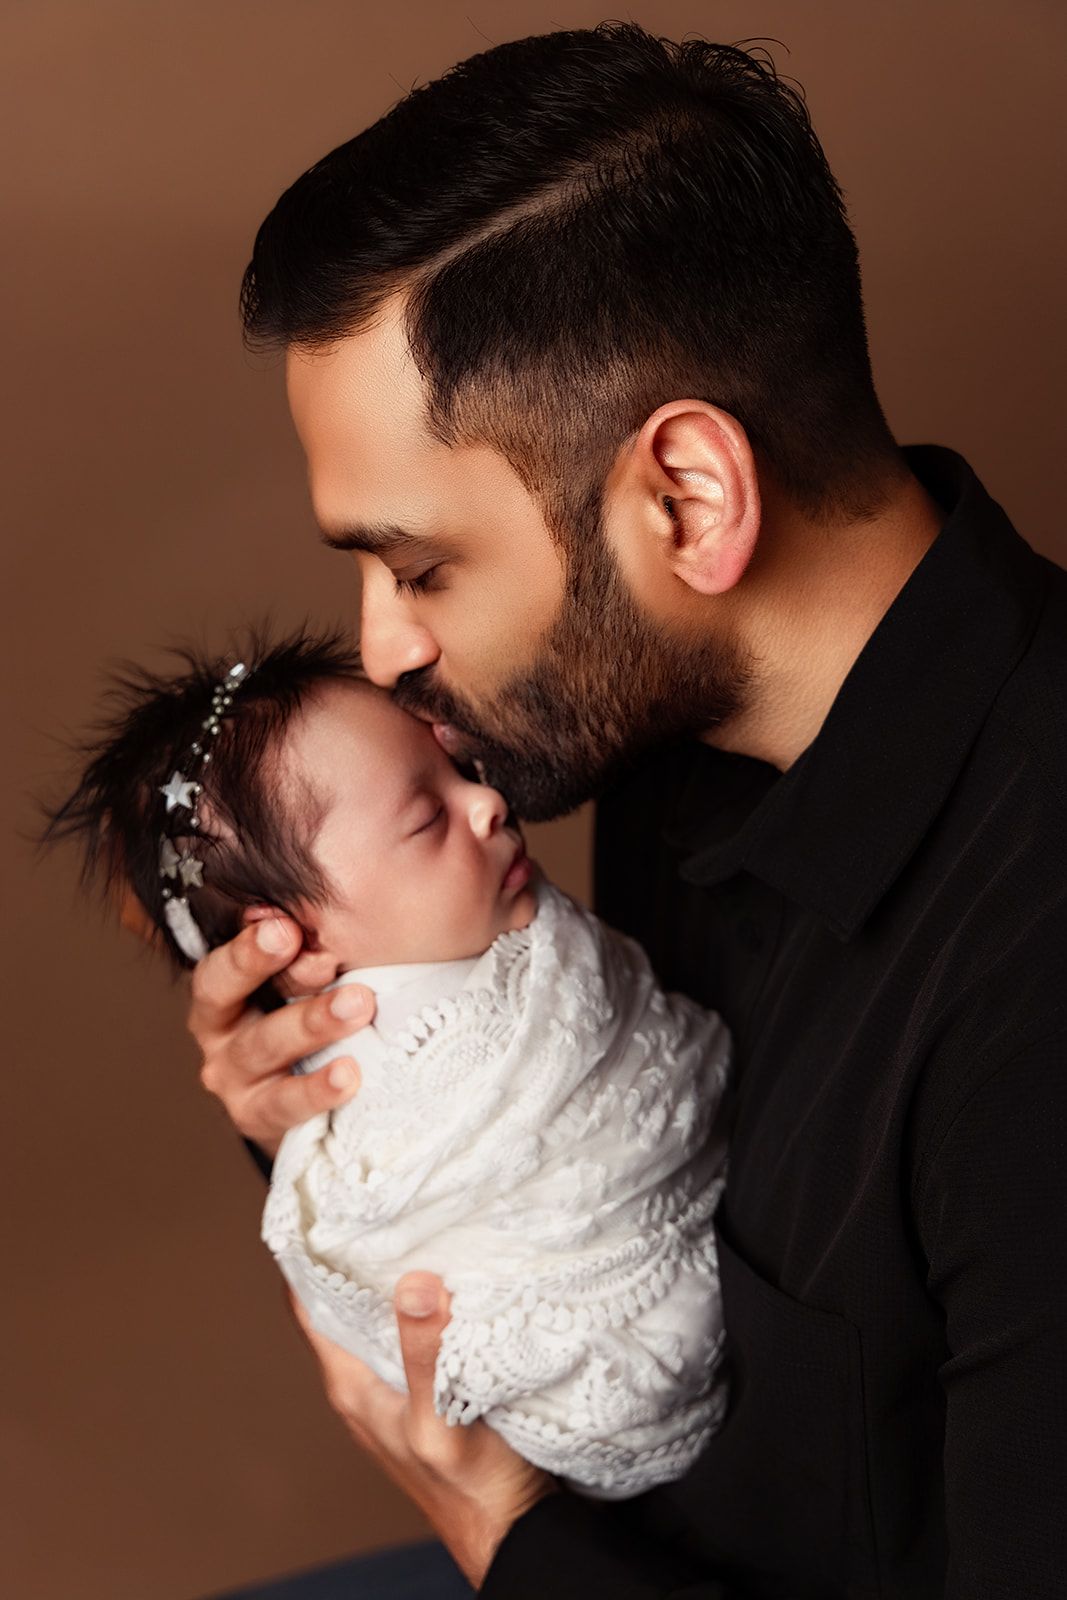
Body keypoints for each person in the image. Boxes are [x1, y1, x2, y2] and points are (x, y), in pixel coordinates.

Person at [181, 20, 1066, 1600]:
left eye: (420, 566)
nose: (382, 648)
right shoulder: (656, 729)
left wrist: (501, 1537)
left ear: (687, 499)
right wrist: (341, 1107)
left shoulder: (1031, 980)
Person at [45, 630, 732, 1499]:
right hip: (593, 1381)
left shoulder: (503, 944)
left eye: (459, 773)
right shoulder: (376, 1069)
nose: (488, 804)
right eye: (426, 818)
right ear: (294, 945)